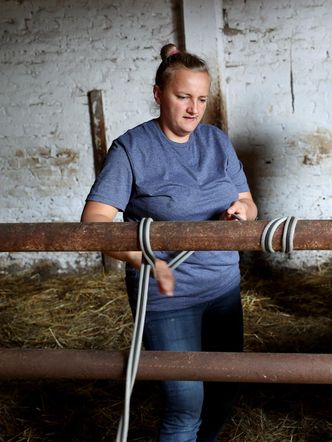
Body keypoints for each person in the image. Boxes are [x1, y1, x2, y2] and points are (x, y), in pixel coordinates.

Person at [81, 43, 257, 441]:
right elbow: (94, 223)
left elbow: (248, 202)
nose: (193, 109)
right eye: (183, 97)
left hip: (223, 287)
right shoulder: (133, 149)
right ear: (159, 94)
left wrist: (242, 214)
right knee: (184, 402)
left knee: (225, 390)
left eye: (200, 99)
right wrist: (143, 260)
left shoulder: (216, 142)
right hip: (166, 293)